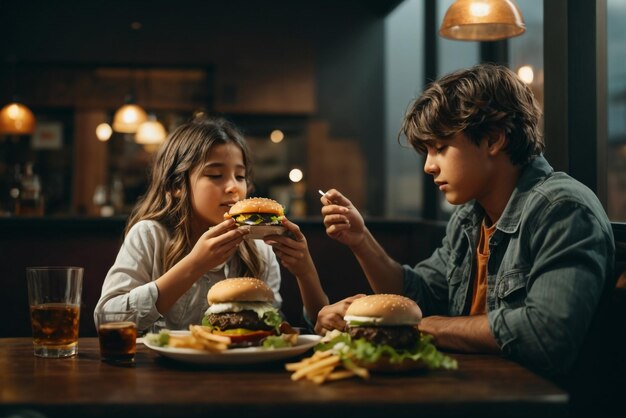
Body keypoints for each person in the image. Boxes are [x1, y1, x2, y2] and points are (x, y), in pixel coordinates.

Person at [316, 63, 615, 379]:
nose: (429, 166)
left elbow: (546, 335)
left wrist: (427, 327)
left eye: (440, 148)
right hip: (471, 385)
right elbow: (419, 295)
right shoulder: (470, 218)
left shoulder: (562, 208)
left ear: (493, 140)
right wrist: (361, 241)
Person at [94, 116, 327, 332]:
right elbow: (107, 317)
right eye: (215, 175)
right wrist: (194, 265)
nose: (233, 187)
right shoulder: (149, 235)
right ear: (176, 185)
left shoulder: (259, 248)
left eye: (240, 176)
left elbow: (271, 325)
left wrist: (305, 271)